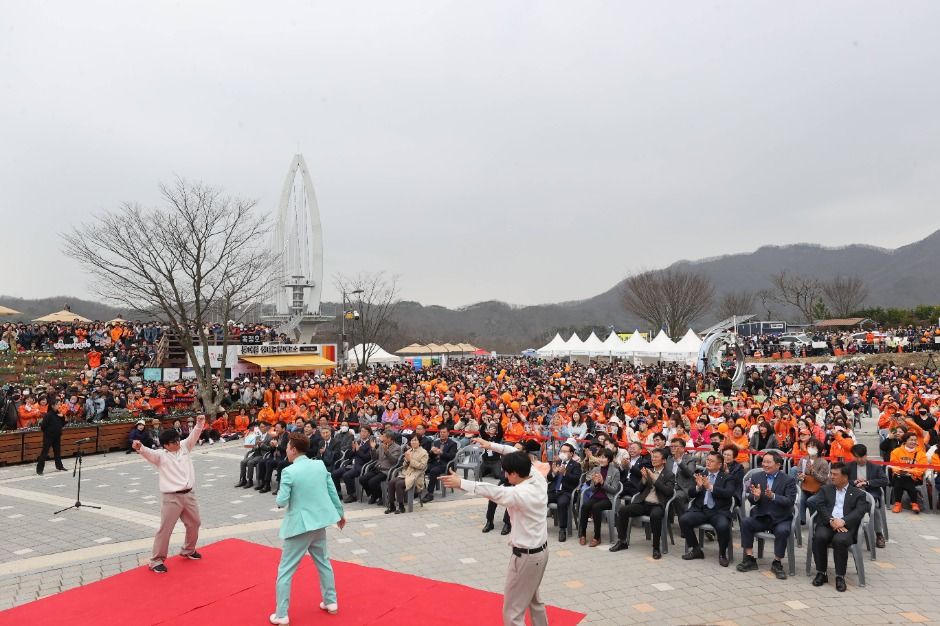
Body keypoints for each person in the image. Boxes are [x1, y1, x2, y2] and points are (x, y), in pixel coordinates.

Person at [441, 438, 549, 626]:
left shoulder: (520, 494)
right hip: (540, 552)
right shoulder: (535, 476)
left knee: (513, 612)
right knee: (534, 601)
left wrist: (462, 483)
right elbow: (513, 453)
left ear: (515, 473)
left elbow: (493, 491)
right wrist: (491, 445)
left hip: (526, 557)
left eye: (507, 473)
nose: (505, 476)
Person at [270, 433, 346, 625]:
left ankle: (281, 614)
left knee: (285, 570)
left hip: (299, 527)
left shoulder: (289, 471)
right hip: (319, 522)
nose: (285, 449)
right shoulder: (319, 465)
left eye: (287, 447)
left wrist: (280, 495)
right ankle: (331, 602)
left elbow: (281, 501)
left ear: (294, 449)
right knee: (323, 563)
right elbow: (332, 491)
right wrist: (340, 514)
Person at [132, 414, 205, 574]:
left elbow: (194, 435)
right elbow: (146, 451)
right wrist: (139, 447)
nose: (177, 443)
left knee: (195, 523)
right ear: (165, 445)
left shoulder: (185, 447)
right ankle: (156, 560)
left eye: (178, 440)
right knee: (166, 529)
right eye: (173, 442)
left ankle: (188, 550)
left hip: (189, 494)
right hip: (171, 497)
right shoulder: (160, 456)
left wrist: (199, 423)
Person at [736, 452, 798, 580]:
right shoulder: (757, 477)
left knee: (783, 531)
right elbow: (752, 500)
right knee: (746, 522)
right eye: (763, 461)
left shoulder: (788, 480)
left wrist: (773, 496)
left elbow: (789, 502)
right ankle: (749, 559)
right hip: (762, 516)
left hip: (781, 518)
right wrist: (756, 497)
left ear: (778, 465)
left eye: (768, 462)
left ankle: (777, 562)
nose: (765, 464)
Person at [811, 462, 869, 592]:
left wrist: (843, 521)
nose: (831, 477)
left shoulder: (858, 493)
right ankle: (821, 572)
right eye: (831, 473)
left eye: (835, 474)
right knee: (819, 537)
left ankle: (840, 576)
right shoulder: (826, 489)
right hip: (828, 523)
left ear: (845, 477)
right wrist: (831, 520)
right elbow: (819, 505)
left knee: (840, 540)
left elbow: (860, 511)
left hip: (846, 526)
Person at [610, 448, 675, 559]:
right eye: (652, 457)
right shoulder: (648, 470)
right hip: (644, 502)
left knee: (655, 515)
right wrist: (644, 480)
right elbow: (640, 489)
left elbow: (668, 492)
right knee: (623, 510)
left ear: (664, 460)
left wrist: (655, 480)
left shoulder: (669, 475)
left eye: (656, 457)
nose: (653, 459)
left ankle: (656, 547)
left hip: (658, 504)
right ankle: (622, 541)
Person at [678, 452, 736, 566]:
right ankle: (696, 549)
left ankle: (722, 553)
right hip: (701, 510)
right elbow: (690, 493)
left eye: (711, 461)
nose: (708, 462)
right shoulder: (700, 474)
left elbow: (729, 493)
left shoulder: (727, 477)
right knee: (684, 519)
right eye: (707, 460)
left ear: (719, 465)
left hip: (718, 511)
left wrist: (710, 487)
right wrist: (698, 487)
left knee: (723, 526)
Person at [846, 443, 888, 548]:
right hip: (854, 495)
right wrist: (854, 482)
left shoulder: (875, 467)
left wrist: (867, 483)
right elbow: (843, 480)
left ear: (865, 455)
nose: (858, 459)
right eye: (855, 457)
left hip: (870, 495)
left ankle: (879, 534)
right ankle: (848, 531)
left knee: (874, 508)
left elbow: (884, 480)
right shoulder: (849, 466)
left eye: (860, 457)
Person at [547, 442, 581, 542]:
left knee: (562, 503)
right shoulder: (557, 462)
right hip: (554, 491)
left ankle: (562, 530)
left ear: (571, 453)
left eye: (565, 451)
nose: (562, 453)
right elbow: (549, 478)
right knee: (539, 499)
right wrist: (553, 472)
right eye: (561, 451)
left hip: (566, 492)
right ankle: (536, 526)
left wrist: (565, 473)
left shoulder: (576, 465)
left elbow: (576, 480)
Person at [386, 433, 429, 514]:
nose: (413, 442)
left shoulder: (424, 453)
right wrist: (406, 460)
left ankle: (401, 506)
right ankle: (391, 505)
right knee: (391, 482)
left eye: (415, 440)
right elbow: (404, 466)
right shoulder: (409, 451)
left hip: (416, 476)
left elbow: (422, 466)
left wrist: (410, 460)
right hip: (406, 474)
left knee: (398, 484)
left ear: (419, 442)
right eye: (412, 440)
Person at [889, 432, 927, 513]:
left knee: (904, 479)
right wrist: (901, 471)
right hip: (899, 475)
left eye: (915, 440)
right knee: (901, 477)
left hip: (915, 478)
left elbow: (921, 469)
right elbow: (894, 466)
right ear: (905, 441)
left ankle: (898, 504)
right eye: (911, 440)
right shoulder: (896, 451)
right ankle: (914, 503)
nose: (913, 442)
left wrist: (909, 471)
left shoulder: (921, 454)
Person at [422, 426, 458, 503]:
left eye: (444, 432)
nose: (442, 434)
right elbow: (430, 456)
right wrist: (431, 452)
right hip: (435, 462)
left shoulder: (452, 444)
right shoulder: (436, 442)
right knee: (422, 468)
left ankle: (430, 493)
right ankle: (418, 489)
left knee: (433, 471)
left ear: (448, 433)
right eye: (441, 432)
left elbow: (452, 456)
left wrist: (441, 452)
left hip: (445, 464)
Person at [36, 404, 67, 475]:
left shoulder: (59, 414)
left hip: (57, 436)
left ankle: (59, 466)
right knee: (44, 453)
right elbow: (43, 426)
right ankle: (39, 470)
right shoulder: (48, 415)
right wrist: (48, 432)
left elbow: (63, 424)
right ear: (52, 406)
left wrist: (62, 417)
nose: (58, 406)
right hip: (48, 437)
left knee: (57, 452)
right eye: (57, 404)